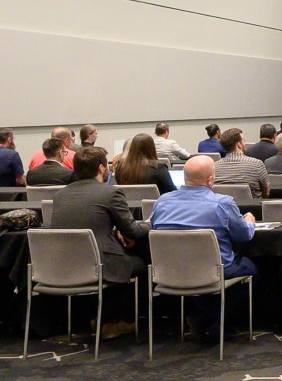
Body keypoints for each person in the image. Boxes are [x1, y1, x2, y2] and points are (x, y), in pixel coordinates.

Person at [148, 155, 258, 343]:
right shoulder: (222, 203)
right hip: (213, 271)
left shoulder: (162, 202)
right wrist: (250, 221)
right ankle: (213, 317)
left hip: (169, 272)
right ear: (210, 179)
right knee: (252, 270)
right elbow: (244, 236)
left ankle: (201, 316)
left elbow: (151, 227)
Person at [52, 147, 151, 338]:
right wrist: (151, 223)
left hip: (64, 265)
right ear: (101, 168)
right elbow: (133, 230)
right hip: (100, 264)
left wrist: (114, 231)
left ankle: (102, 318)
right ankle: (120, 320)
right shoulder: (111, 193)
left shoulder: (60, 195)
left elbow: (88, 223)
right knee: (145, 263)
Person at [214, 128, 270, 198]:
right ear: (239, 145)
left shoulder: (214, 167)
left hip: (224, 208)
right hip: (251, 208)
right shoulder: (257, 164)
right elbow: (266, 192)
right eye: (244, 141)